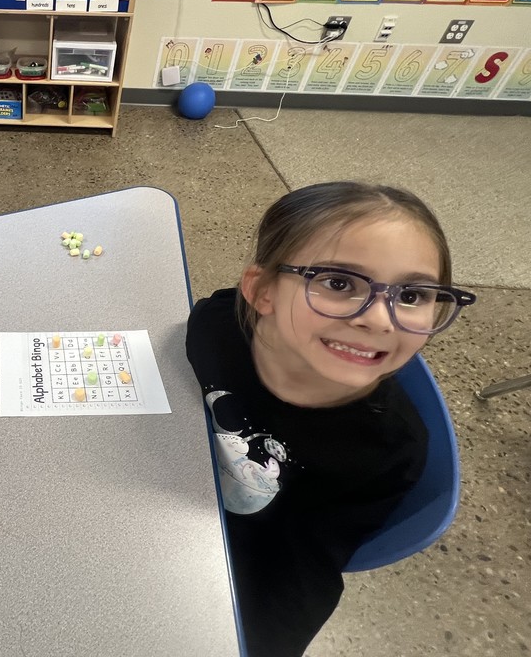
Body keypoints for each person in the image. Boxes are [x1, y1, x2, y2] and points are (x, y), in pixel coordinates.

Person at [185, 182, 476, 657]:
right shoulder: (220, 324)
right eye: (340, 283)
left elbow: (295, 584)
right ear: (262, 292)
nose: (381, 321)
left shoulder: (382, 451)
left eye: (413, 294)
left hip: (217, 558)